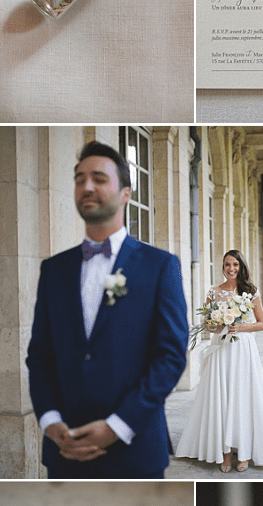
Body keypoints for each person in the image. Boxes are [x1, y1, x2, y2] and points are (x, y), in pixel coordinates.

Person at [26, 141, 188, 479]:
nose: (87, 186)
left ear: (125, 193)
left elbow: (170, 357)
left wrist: (117, 425)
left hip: (135, 449)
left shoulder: (160, 266)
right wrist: (50, 420)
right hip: (64, 452)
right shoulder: (53, 270)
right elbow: (41, 355)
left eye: (99, 178)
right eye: (79, 178)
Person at [175, 250, 263, 471]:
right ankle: (224, 453)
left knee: (242, 398)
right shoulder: (213, 292)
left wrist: (240, 326)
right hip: (221, 350)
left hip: (243, 350)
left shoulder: (250, 292)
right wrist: (217, 323)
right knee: (221, 398)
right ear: (223, 267)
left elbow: (262, 323)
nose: (231, 268)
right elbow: (209, 326)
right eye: (227, 264)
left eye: (235, 264)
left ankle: (244, 452)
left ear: (241, 266)